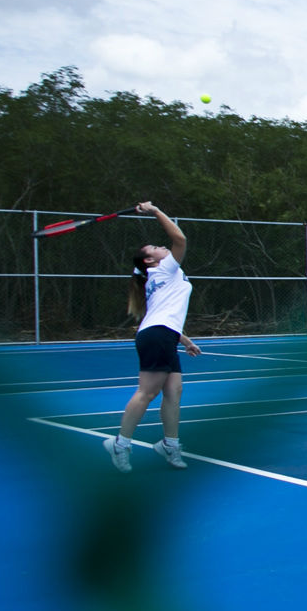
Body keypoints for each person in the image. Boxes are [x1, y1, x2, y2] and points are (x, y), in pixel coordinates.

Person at [104, 202, 204, 472]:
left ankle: (169, 445)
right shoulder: (164, 269)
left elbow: (164, 313)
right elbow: (180, 238)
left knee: (173, 392)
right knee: (147, 393)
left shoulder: (158, 276)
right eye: (155, 248)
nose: (163, 247)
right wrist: (155, 211)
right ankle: (120, 444)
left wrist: (185, 340)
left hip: (164, 335)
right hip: (157, 336)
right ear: (150, 260)